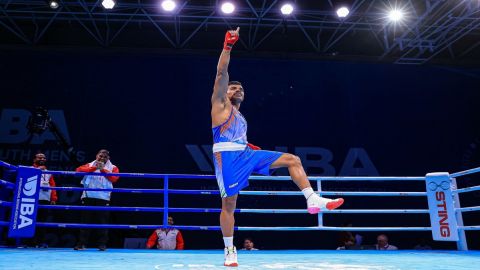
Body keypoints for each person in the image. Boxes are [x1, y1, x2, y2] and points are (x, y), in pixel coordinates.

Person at [210, 27, 344, 267]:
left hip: (246, 153)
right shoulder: (220, 104)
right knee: (229, 204)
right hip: (227, 158)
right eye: (233, 87)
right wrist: (227, 47)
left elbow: (235, 135)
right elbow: (222, 73)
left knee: (293, 159)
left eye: (241, 89)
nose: (237, 89)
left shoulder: (241, 117)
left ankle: (312, 198)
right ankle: (229, 249)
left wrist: (247, 145)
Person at [73, 149, 119, 251]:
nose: (102, 158)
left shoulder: (113, 167)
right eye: (100, 156)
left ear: (108, 158)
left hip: (103, 198)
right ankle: (81, 244)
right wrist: (94, 168)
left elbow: (114, 179)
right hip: (88, 196)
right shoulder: (89, 165)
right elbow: (77, 172)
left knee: (102, 223)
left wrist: (102, 169)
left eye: (105, 157)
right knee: (85, 222)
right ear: (96, 155)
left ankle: (102, 245)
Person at [32, 152, 57, 248]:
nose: (42, 159)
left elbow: (52, 185)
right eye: (39, 158)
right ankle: (26, 242)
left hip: (45, 199)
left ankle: (40, 242)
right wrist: (37, 170)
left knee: (41, 221)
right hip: (31, 199)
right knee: (29, 220)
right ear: (35, 159)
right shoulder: (30, 169)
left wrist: (53, 198)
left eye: (43, 158)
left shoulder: (48, 172)